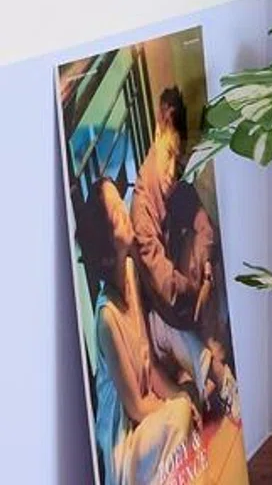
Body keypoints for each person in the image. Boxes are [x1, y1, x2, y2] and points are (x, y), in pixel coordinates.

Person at [74, 178, 199, 485]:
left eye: (120, 202)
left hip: (146, 419)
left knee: (184, 403)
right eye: (117, 213)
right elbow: (137, 407)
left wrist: (180, 395)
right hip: (125, 440)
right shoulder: (107, 318)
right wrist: (177, 405)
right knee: (180, 414)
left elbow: (151, 367)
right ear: (106, 250)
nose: (124, 210)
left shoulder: (130, 272)